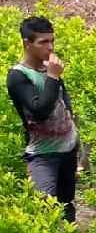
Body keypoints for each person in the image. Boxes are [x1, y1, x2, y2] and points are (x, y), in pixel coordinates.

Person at [7, 16, 78, 222]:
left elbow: (62, 98)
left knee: (67, 204)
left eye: (52, 41)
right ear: (27, 44)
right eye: (43, 42)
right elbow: (40, 110)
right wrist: (53, 76)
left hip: (67, 149)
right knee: (46, 210)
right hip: (43, 154)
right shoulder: (18, 76)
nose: (50, 47)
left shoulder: (47, 68)